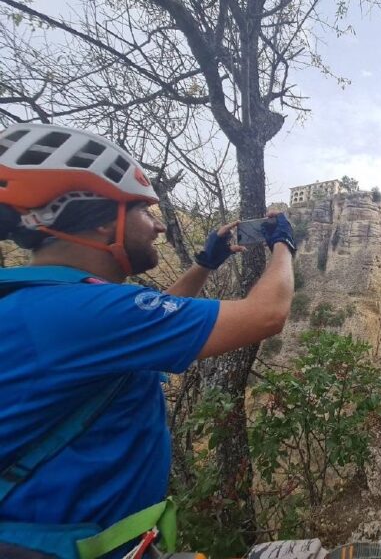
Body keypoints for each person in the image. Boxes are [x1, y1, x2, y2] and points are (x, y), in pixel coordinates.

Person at [0, 123, 296, 559]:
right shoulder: (79, 313)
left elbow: (143, 328)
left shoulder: (48, 304)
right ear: (103, 220)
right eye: (143, 211)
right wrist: (284, 245)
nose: (158, 227)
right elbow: (267, 314)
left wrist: (203, 265)